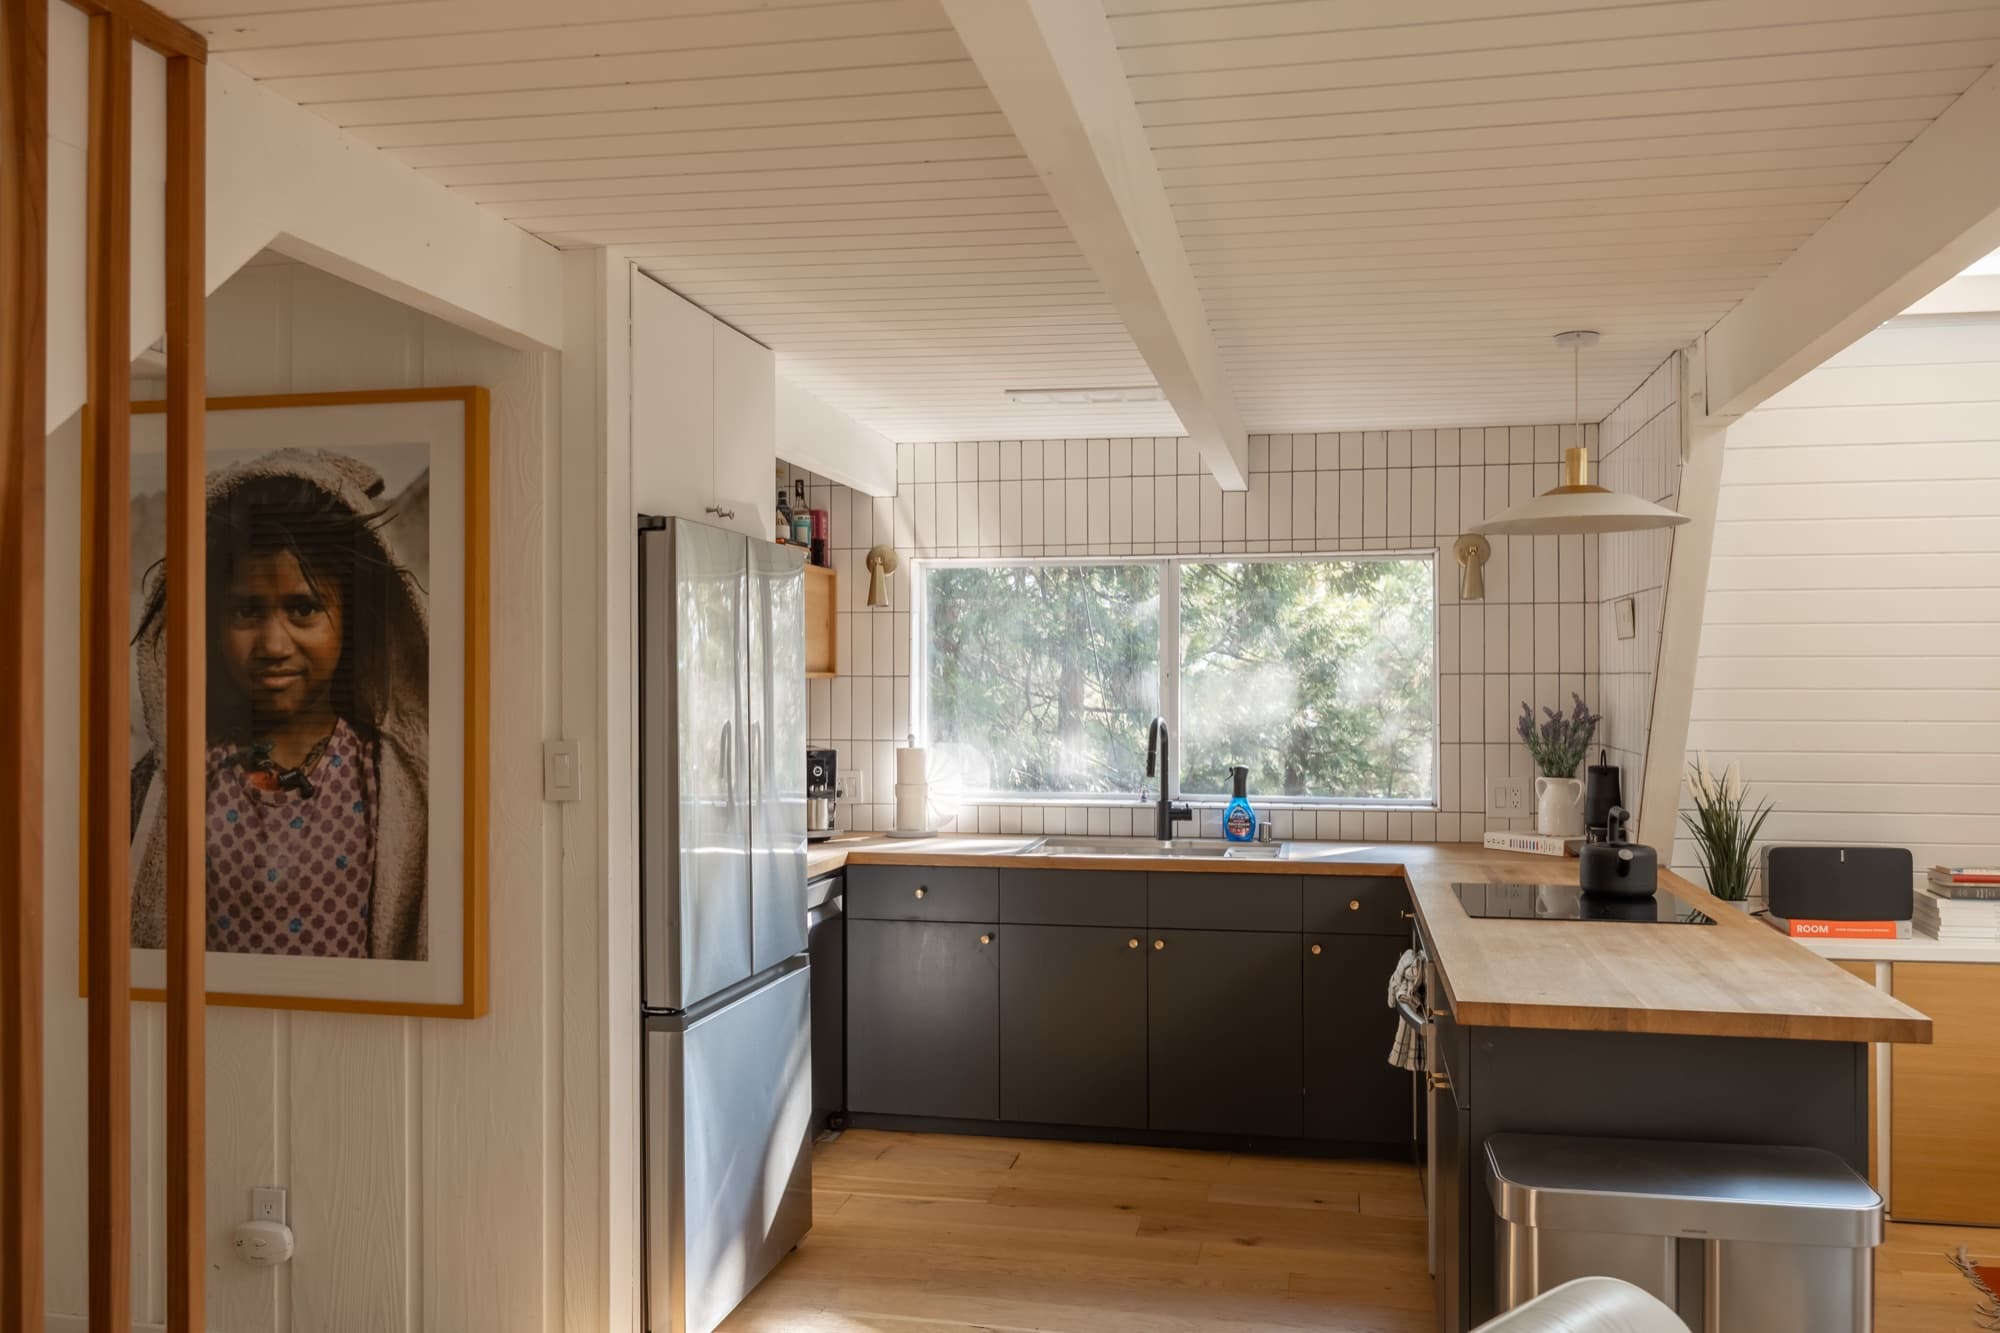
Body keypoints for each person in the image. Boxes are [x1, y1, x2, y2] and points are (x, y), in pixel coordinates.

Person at [129, 449, 430, 961]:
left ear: (351, 618)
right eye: (247, 610)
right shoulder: (165, 783)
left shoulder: (390, 784)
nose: (272, 644)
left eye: (303, 608)